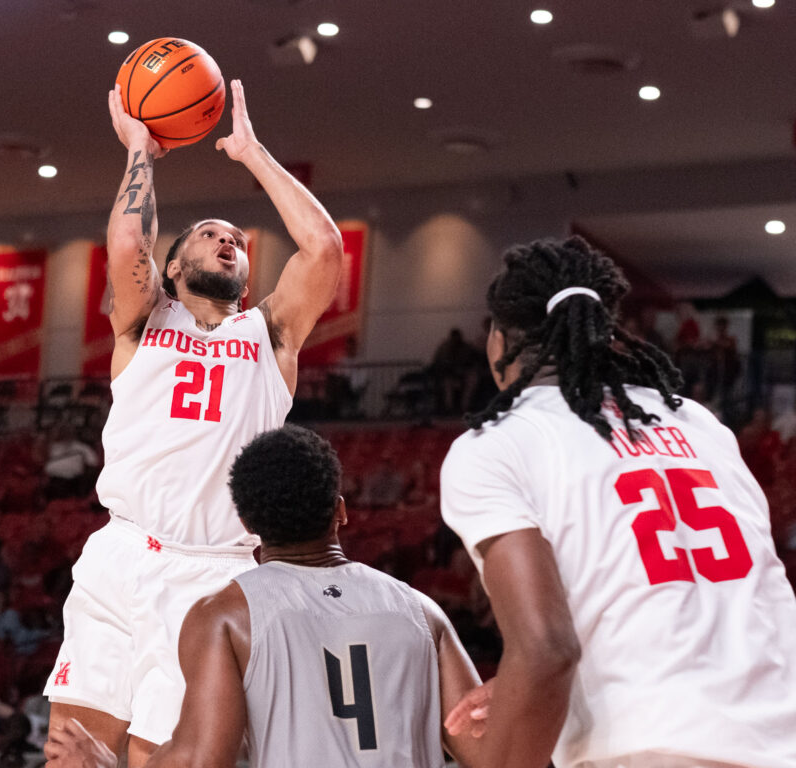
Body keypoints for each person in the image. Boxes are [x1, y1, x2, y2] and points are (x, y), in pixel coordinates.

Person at [43, 78, 343, 766]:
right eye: (210, 236)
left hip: (213, 574)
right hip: (122, 555)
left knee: (163, 759)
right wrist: (141, 148)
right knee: (70, 751)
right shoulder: (145, 321)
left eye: (236, 238)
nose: (228, 240)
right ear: (173, 265)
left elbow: (323, 250)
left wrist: (253, 152)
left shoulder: (269, 336)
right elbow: (126, 240)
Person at [440, 236, 796, 768]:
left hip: (654, 751)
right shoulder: (698, 423)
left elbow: (546, 653)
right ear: (607, 335)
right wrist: (530, 687)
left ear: (497, 342)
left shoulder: (497, 444)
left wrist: (527, 692)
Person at [46, 425, 489, 768]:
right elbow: (494, 752)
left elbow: (203, 760)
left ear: (245, 520)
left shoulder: (227, 614)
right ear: (340, 510)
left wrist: (109, 762)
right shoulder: (420, 612)